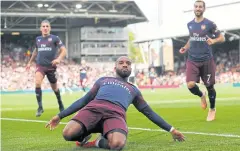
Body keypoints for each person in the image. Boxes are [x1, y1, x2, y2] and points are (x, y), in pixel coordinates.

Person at [46, 56, 185, 150]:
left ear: (131, 69)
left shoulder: (134, 90)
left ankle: (99, 141)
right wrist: (60, 116)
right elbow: (84, 100)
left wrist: (171, 129)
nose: (125, 64)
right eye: (121, 63)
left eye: (128, 64)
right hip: (93, 109)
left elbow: (149, 112)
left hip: (115, 115)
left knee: (118, 144)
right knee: (68, 133)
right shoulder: (103, 80)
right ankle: (84, 135)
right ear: (115, 68)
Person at [179, 0, 225, 121]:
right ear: (193, 8)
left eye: (200, 7)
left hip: (206, 60)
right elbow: (192, 38)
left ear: (204, 9)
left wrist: (214, 41)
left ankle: (212, 109)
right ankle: (201, 95)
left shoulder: (210, 24)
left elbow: (222, 37)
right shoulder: (189, 24)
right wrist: (185, 47)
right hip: (192, 59)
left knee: (210, 86)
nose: (198, 8)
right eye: (196, 6)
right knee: (190, 85)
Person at [26, 20, 67, 117]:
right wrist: (29, 62)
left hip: (51, 67)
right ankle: (40, 107)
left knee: (55, 88)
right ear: (41, 28)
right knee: (37, 82)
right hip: (40, 66)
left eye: (47, 26)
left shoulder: (55, 38)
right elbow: (36, 51)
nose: (45, 28)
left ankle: (60, 103)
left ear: (50, 28)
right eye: (43, 26)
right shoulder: (38, 39)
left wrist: (59, 59)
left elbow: (64, 50)